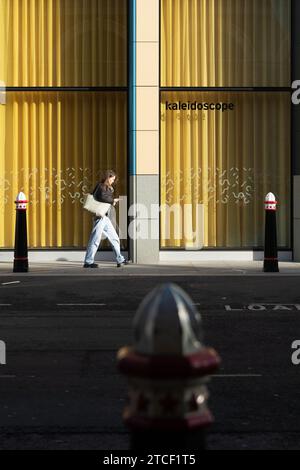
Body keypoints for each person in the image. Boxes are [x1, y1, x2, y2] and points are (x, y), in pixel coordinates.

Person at [83, 170, 128, 268]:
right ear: (108, 177)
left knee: (114, 238)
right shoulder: (100, 186)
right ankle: (88, 262)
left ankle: (120, 260)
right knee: (95, 239)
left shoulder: (107, 188)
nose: (113, 181)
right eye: (112, 179)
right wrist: (113, 200)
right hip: (100, 217)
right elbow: (102, 198)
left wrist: (112, 197)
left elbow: (105, 198)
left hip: (105, 217)